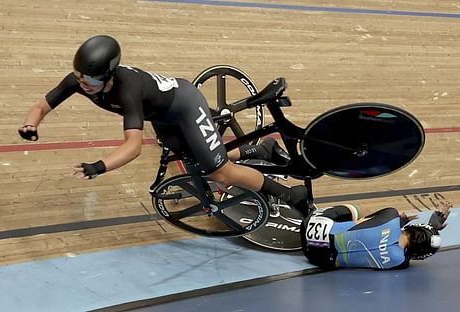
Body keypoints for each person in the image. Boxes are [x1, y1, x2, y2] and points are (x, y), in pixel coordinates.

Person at [18, 34, 308, 212]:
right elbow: (42, 105)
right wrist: (31, 124)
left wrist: (99, 166)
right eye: (79, 76)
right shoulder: (79, 81)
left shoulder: (126, 90)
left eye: (91, 79)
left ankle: (286, 194)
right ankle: (261, 151)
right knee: (194, 160)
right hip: (161, 114)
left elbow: (133, 147)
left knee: (219, 172)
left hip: (184, 104)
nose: (83, 84)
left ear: (109, 74)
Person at [300, 200, 452, 270]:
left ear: (414, 226)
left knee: (363, 215)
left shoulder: (391, 216)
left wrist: (401, 220)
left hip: (311, 225)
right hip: (318, 259)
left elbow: (367, 220)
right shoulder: (399, 262)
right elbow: (415, 248)